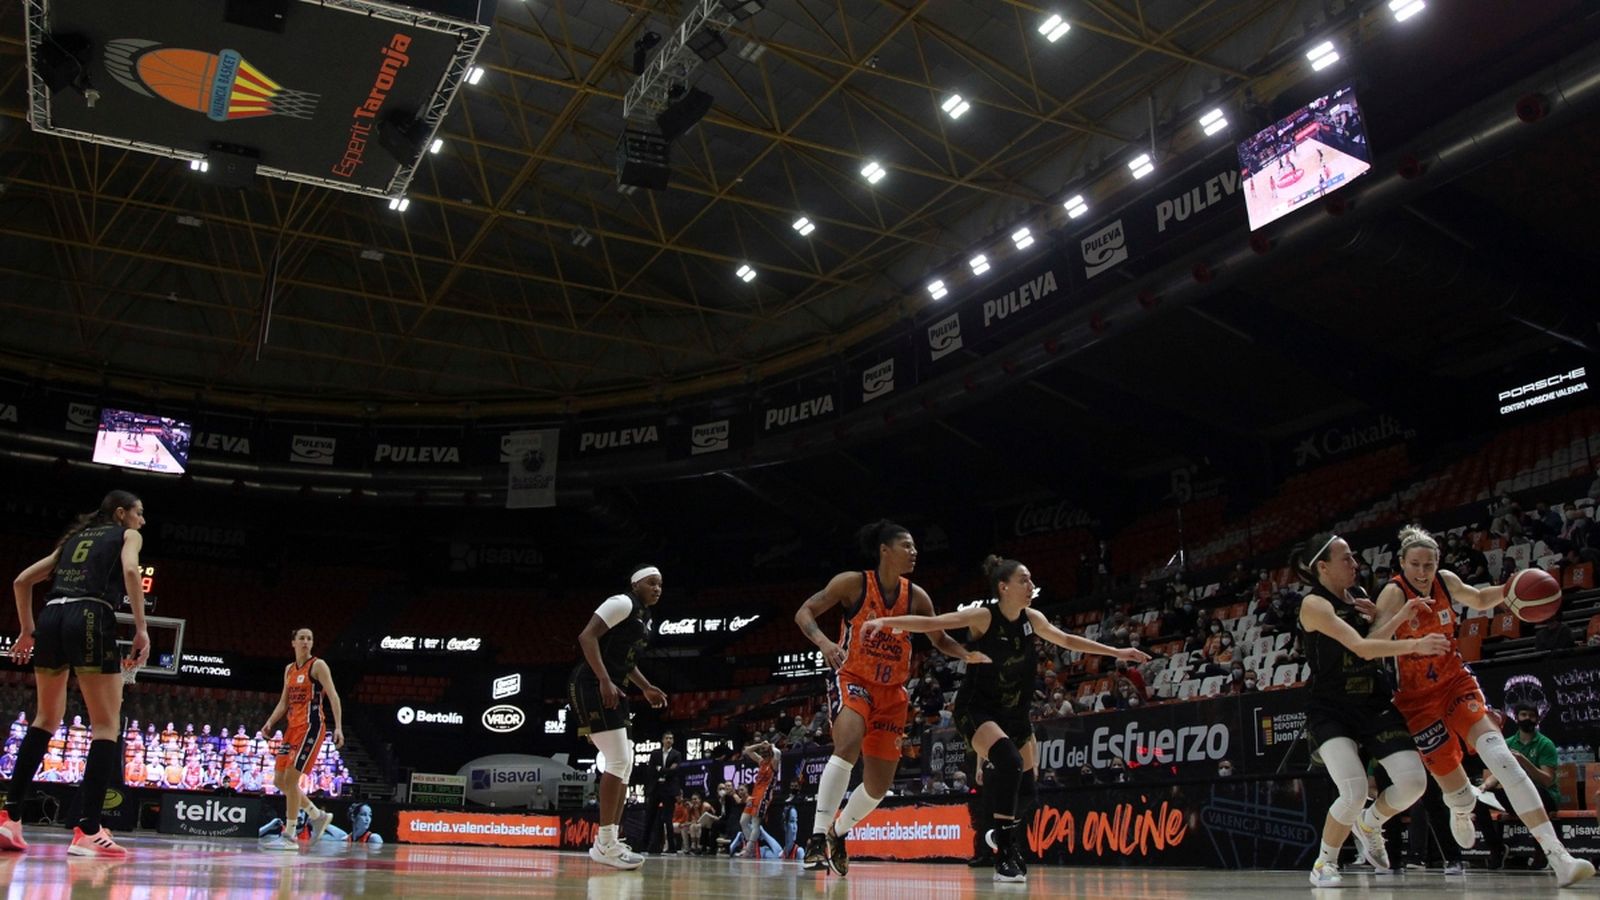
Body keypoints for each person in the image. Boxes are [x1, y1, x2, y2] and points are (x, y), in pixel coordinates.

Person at [864, 555, 1149, 882]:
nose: (1030, 586)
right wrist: (886, 623)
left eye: (1030, 580)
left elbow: (1068, 640)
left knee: (1029, 791)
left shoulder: (1033, 618)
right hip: (977, 709)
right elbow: (934, 623)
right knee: (1010, 762)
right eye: (1024, 580)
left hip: (1015, 715)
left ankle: (1001, 834)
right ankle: (1005, 852)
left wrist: (1118, 653)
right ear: (1004, 586)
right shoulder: (984, 617)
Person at [1374, 525, 1592, 887]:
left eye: (1429, 564)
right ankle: (1461, 808)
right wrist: (1405, 623)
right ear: (1402, 563)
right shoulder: (1394, 594)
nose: (1423, 572)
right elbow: (1370, 642)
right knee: (1456, 792)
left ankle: (1560, 858)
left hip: (1456, 683)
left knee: (1502, 757)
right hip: (1416, 702)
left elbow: (1476, 598)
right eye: (1415, 565)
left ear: (1438, 563)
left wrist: (1511, 589)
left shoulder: (1444, 581)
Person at [793, 521, 985, 876]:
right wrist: (824, 643)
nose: (915, 552)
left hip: (893, 694)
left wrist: (966, 654)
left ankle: (839, 831)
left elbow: (939, 639)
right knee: (847, 745)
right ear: (885, 549)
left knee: (878, 787)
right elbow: (803, 612)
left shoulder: (918, 596)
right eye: (907, 546)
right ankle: (817, 836)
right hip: (853, 678)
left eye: (914, 547)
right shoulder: (852, 583)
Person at [1293, 530, 1448, 887]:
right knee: (1353, 789)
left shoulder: (1360, 597)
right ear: (1323, 568)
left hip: (1373, 703)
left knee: (1413, 784)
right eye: (1345, 558)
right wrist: (1414, 642)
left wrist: (1390, 615)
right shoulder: (1314, 605)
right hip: (1331, 709)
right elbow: (1364, 648)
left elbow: (1376, 639)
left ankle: (1369, 824)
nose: (1354, 563)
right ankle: (1324, 863)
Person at [3, 490, 150, 857]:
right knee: (105, 726)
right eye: (139, 513)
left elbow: (21, 581)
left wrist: (26, 630)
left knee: (45, 718)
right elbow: (132, 570)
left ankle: (10, 818)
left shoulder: (73, 540)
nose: (142, 521)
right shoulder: (127, 535)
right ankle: (87, 829)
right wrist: (141, 628)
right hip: (89, 614)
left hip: (51, 616)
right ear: (121, 514)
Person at [570, 565, 668, 870]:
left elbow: (624, 661)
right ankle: (605, 843)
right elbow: (587, 637)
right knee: (617, 760)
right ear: (636, 584)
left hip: (614, 685)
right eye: (652, 583)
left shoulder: (644, 616)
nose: (657, 589)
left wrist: (646, 687)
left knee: (624, 762)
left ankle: (609, 840)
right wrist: (602, 679)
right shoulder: (622, 603)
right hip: (591, 684)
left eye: (661, 585)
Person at [259, 628, 345, 850]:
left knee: (290, 780)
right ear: (293, 643)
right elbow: (283, 702)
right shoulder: (289, 669)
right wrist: (269, 722)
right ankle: (317, 816)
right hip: (292, 728)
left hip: (311, 727)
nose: (306, 641)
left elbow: (334, 695)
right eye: (302, 638)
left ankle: (289, 835)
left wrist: (339, 727)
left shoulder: (318, 665)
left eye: (310, 638)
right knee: (279, 781)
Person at [739, 737, 781, 858]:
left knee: (755, 823)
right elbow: (747, 751)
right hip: (754, 794)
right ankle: (750, 847)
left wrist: (771, 745)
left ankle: (749, 849)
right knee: (743, 821)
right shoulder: (761, 762)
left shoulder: (774, 763)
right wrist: (760, 744)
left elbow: (778, 753)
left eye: (765, 751)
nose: (763, 753)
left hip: (764, 795)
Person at [641, 731, 681, 854]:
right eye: (667, 738)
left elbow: (674, 771)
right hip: (656, 788)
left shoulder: (676, 754)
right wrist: (665, 770)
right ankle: (643, 846)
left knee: (668, 819)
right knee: (649, 818)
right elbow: (651, 771)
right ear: (662, 740)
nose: (669, 740)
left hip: (669, 790)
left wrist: (661, 770)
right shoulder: (655, 754)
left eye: (671, 738)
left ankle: (671, 847)